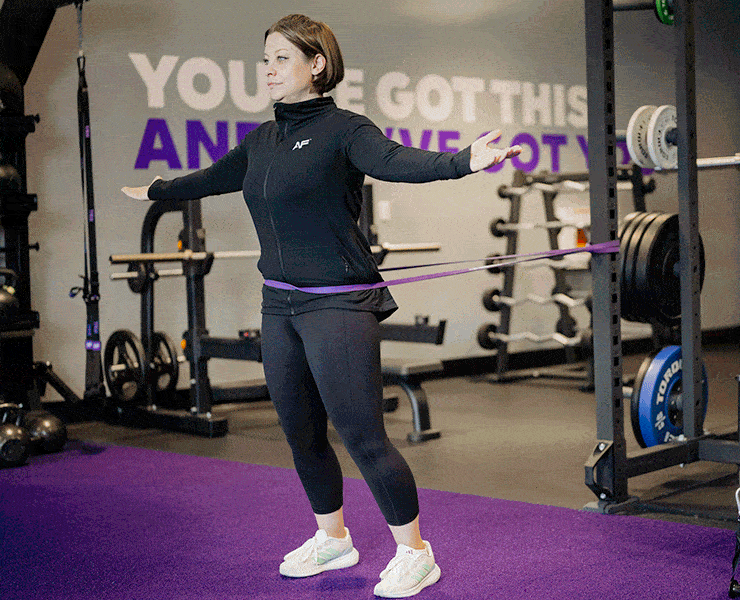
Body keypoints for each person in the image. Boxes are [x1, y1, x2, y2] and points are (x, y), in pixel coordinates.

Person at [122, 13, 520, 599]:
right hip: (279, 307)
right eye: (265, 60)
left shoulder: (345, 130)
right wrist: (157, 190)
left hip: (338, 305)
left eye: (282, 58)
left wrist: (464, 161)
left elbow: (397, 161)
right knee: (302, 433)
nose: (269, 70)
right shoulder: (261, 142)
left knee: (363, 436)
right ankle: (333, 538)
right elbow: (209, 178)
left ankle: (416, 552)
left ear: (317, 65)